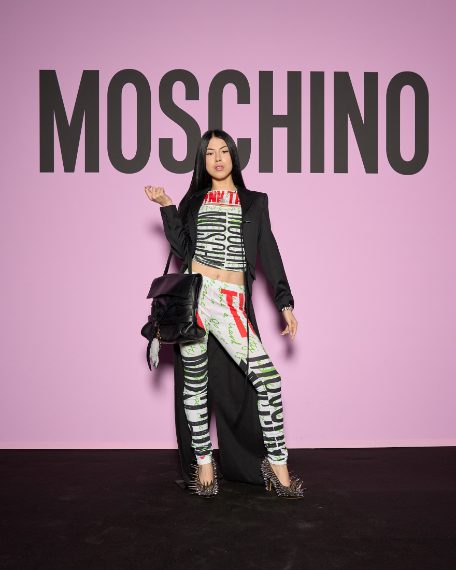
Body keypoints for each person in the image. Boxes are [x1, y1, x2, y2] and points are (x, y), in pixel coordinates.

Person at [144, 129, 306, 498]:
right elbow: (183, 250)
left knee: (269, 381)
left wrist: (285, 303)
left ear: (233, 156)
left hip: (230, 303)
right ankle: (204, 464)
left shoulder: (254, 202)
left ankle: (276, 464)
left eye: (223, 151)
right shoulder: (194, 201)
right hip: (196, 298)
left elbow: (269, 252)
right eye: (209, 153)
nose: (217, 158)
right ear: (202, 162)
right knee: (195, 385)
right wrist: (167, 206)